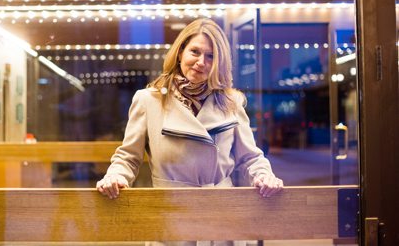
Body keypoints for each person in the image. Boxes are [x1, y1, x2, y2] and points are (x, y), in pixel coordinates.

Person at [96, 18, 283, 244]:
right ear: (181, 52)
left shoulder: (230, 101)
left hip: (221, 216)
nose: (201, 62)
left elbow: (250, 158)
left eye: (211, 56)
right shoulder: (148, 100)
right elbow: (128, 157)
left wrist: (264, 176)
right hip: (170, 213)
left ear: (219, 62)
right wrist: (115, 176)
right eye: (195, 52)